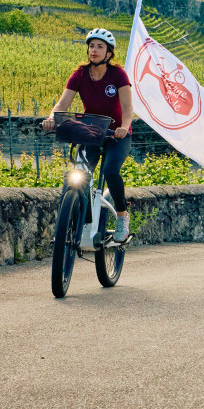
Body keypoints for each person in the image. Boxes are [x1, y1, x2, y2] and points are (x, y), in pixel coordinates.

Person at [42, 27, 135, 247]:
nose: (94, 50)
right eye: (91, 46)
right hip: (92, 133)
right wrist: (51, 118)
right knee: (79, 174)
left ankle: (122, 216)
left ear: (109, 53)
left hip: (116, 135)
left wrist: (124, 126)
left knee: (111, 170)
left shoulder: (118, 75)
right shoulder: (80, 74)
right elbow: (62, 104)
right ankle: (72, 222)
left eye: (99, 47)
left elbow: (128, 107)